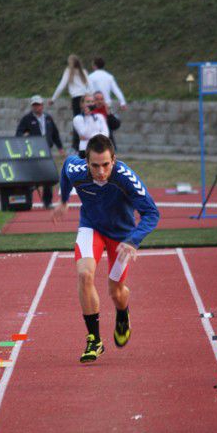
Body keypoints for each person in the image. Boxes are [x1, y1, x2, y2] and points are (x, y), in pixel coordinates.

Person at [53, 134, 159, 363]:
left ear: (114, 160)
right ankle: (94, 340)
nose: (101, 172)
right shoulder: (76, 169)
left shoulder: (126, 178)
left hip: (121, 237)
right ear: (86, 162)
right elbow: (64, 169)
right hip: (91, 227)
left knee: (116, 292)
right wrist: (63, 200)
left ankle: (123, 313)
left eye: (105, 165)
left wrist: (133, 240)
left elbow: (152, 213)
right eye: (95, 166)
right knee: (84, 274)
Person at [15, 95, 65, 208]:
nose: (37, 107)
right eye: (34, 105)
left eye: (38, 104)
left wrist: (60, 148)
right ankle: (27, 200)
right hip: (33, 151)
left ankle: (47, 202)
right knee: (30, 176)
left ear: (42, 105)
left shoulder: (48, 118)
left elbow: (55, 134)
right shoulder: (27, 119)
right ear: (32, 106)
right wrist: (25, 137)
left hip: (47, 150)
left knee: (48, 175)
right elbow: (18, 133)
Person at [49, 54, 92, 152]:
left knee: (77, 121)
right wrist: (91, 98)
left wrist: (53, 99)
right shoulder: (84, 72)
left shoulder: (69, 72)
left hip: (76, 99)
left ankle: (76, 146)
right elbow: (90, 86)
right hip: (85, 98)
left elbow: (61, 86)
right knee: (86, 121)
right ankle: (86, 144)